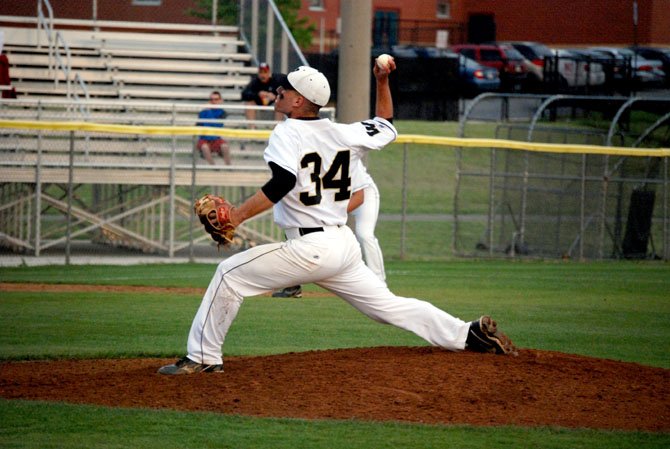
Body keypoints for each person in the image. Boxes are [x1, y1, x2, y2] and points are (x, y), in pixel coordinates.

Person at [158, 62, 516, 375]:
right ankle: (467, 334)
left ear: (299, 101)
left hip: (310, 246)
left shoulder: (287, 131)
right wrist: (381, 81)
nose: (279, 90)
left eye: (286, 89)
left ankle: (203, 357)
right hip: (341, 246)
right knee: (388, 307)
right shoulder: (345, 131)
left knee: (228, 274)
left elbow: (283, 182)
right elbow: (386, 123)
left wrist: (235, 215)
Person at [196, 91, 230, 165]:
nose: (213, 102)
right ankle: (213, 167)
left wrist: (208, 112)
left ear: (221, 100)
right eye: (211, 100)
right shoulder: (203, 112)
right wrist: (207, 111)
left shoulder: (223, 113)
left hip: (216, 138)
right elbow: (198, 125)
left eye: (216, 99)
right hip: (204, 138)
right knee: (204, 147)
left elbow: (216, 125)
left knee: (224, 146)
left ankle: (229, 167)